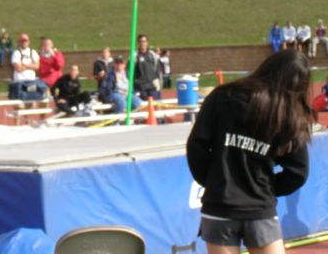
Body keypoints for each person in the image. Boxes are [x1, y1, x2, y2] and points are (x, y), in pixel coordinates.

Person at [186, 50, 312, 254]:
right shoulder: (289, 114)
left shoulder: (221, 96)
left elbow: (196, 146)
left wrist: (212, 180)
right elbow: (298, 172)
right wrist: (266, 188)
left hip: (220, 205)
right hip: (259, 207)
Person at [134, 34, 161, 101]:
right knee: (141, 106)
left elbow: (157, 69)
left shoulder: (152, 55)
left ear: (147, 42)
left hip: (153, 84)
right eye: (140, 41)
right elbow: (130, 71)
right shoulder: (134, 55)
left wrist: (158, 81)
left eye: (144, 41)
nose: (142, 43)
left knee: (157, 103)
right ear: (138, 43)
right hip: (141, 86)